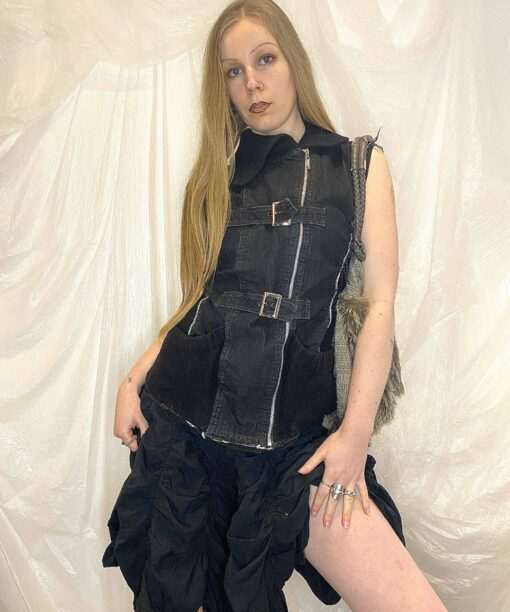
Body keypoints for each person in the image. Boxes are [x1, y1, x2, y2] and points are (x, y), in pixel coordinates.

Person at [102, 1, 448, 611]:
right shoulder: (216, 175)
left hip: (294, 446)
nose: (252, 84)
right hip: (190, 436)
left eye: (264, 60)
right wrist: (133, 379)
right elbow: (201, 301)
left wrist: (355, 435)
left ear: (293, 60)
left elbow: (379, 305)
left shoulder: (358, 165)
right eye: (233, 72)